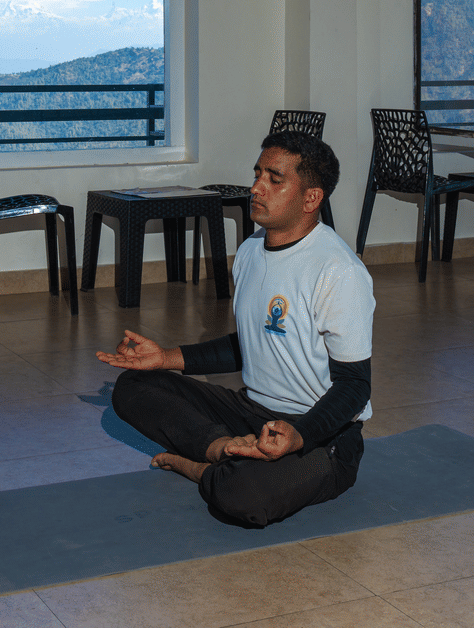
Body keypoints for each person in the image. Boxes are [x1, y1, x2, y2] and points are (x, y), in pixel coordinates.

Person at [98, 130, 374, 527]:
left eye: (274, 180)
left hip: (321, 434)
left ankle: (200, 469)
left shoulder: (338, 271)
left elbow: (355, 385)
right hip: (251, 414)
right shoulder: (249, 252)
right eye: (258, 174)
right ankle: (222, 450)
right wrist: (166, 358)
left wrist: (298, 437)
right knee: (132, 387)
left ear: (311, 198)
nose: (256, 187)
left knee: (243, 497)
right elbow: (252, 342)